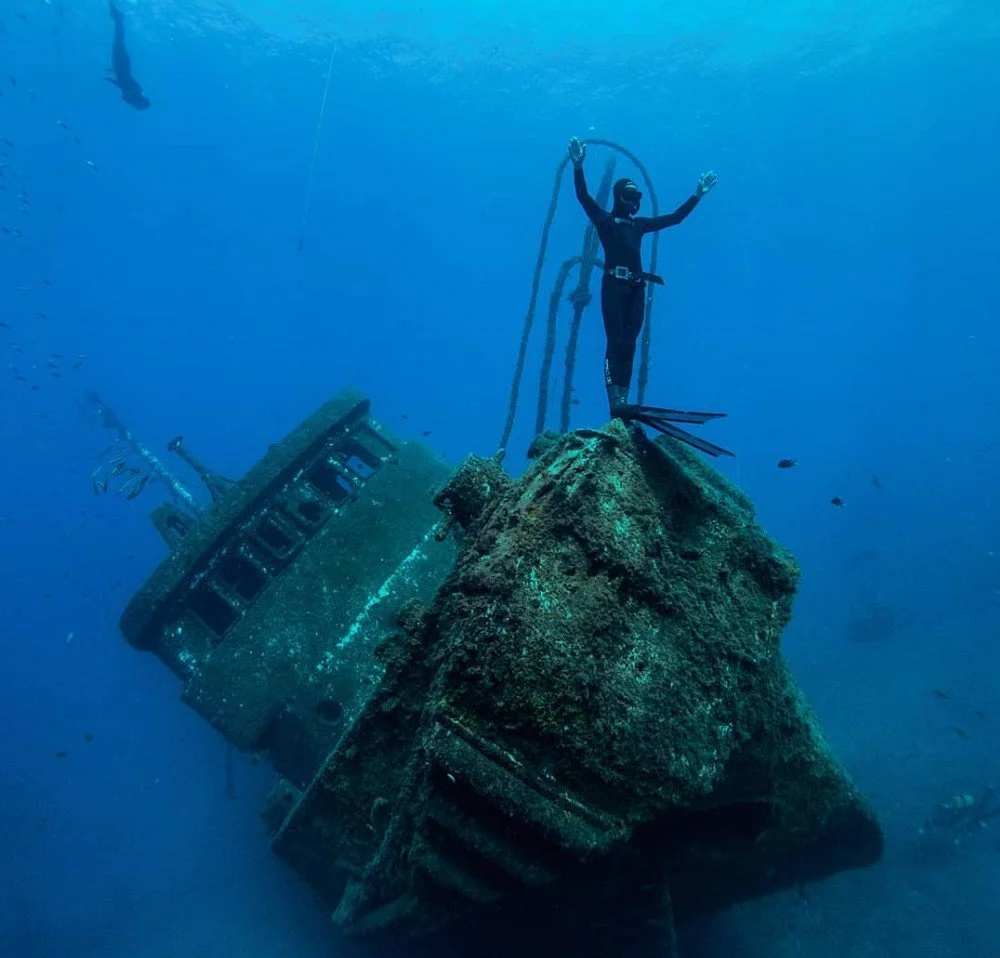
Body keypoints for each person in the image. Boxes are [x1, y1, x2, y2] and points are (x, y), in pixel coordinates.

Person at [568, 136, 731, 457]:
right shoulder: (605, 221)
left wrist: (697, 195)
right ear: (619, 197)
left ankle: (623, 400)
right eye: (630, 197)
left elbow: (675, 218)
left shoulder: (640, 225)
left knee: (630, 342)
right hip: (613, 287)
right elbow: (584, 197)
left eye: (638, 197)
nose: (635, 202)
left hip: (637, 289)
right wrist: (578, 166)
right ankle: (615, 400)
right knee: (615, 341)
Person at [107, 2, 151, 110]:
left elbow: (121, 85)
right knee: (118, 41)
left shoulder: (135, 94)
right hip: (122, 64)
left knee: (118, 41)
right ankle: (118, 18)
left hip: (119, 66)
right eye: (138, 106)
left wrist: (111, 81)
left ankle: (117, 18)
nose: (134, 106)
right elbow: (125, 95)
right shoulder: (138, 90)